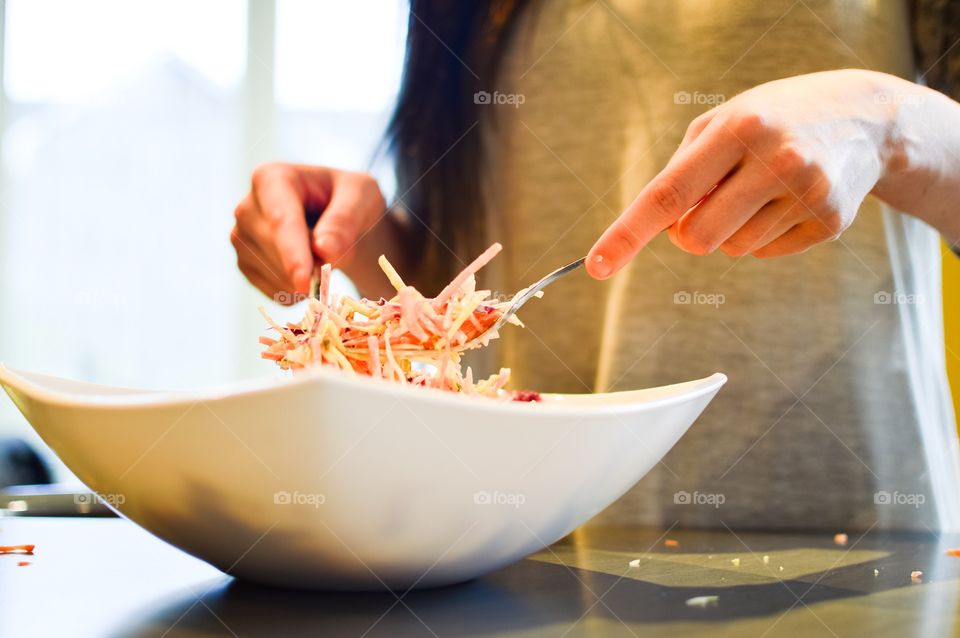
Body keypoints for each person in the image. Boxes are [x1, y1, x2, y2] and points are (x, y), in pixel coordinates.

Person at [231, 1, 960, 532]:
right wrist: (356, 238)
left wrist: (891, 121)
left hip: (858, 546)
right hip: (516, 544)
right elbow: (462, 275)